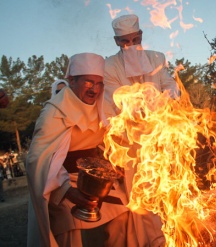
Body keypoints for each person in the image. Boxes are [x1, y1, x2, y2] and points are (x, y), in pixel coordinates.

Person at [26, 53, 130, 247]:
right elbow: (39, 160)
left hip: (98, 179)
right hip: (62, 182)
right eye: (89, 82)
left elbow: (110, 142)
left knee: (124, 213)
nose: (95, 90)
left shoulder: (103, 107)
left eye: (99, 83)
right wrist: (68, 191)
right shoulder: (54, 113)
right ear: (72, 80)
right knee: (72, 224)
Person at [103, 14, 181, 247]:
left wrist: (165, 97)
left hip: (162, 139)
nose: (130, 45)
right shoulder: (109, 66)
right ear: (117, 42)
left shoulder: (156, 57)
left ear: (141, 36)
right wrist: (142, 103)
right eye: (124, 41)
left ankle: (174, 237)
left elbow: (170, 85)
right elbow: (116, 100)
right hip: (132, 147)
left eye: (134, 39)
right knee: (143, 198)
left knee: (169, 192)